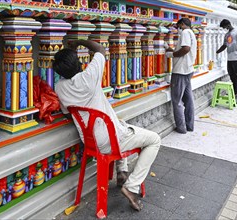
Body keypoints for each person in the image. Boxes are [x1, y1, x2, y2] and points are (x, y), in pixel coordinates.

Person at [53, 40, 161, 211]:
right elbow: (100, 49)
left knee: (120, 125)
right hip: (110, 140)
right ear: (79, 63)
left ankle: (122, 171)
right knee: (154, 140)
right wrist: (78, 43)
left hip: (90, 142)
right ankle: (132, 187)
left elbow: (67, 112)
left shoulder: (59, 87)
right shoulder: (89, 76)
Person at [164, 18, 197, 134]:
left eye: (178, 27)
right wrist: (169, 49)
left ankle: (181, 128)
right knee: (188, 99)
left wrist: (172, 54)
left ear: (182, 25)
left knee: (177, 100)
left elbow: (186, 49)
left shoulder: (185, 32)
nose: (177, 30)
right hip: (188, 70)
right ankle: (189, 125)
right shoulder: (191, 33)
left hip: (180, 72)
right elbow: (183, 50)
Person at [216, 19, 237, 107]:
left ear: (228, 25)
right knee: (232, 76)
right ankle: (235, 92)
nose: (225, 29)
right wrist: (217, 51)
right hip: (229, 59)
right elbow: (224, 46)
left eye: (225, 27)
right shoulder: (227, 35)